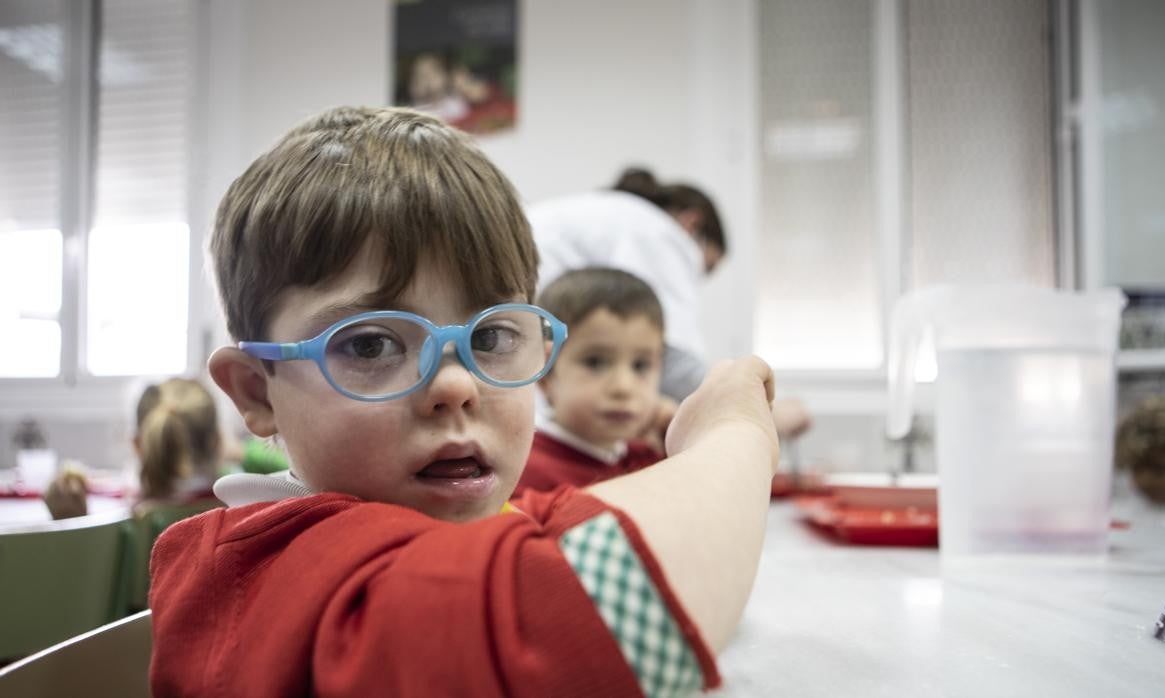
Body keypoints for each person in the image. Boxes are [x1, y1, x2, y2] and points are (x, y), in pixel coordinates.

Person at [149, 106, 780, 696]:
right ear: (257, 391)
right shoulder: (258, 571)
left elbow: (575, 523)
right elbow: (585, 623)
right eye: (370, 345)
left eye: (490, 338)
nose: (456, 385)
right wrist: (735, 431)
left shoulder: (496, 511)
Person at [528, 168, 812, 439]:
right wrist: (761, 411)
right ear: (691, 223)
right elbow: (675, 364)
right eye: (705, 267)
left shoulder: (610, 216)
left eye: (640, 367)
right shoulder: (661, 232)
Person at [516, 267, 667, 495]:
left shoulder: (651, 457)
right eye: (595, 362)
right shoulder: (524, 474)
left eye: (640, 366)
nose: (623, 387)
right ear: (545, 375)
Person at [43, 377, 223, 520]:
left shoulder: (117, 516)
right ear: (217, 442)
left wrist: (72, 517)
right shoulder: (228, 513)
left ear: (136, 444)